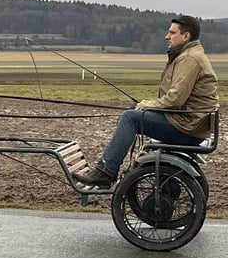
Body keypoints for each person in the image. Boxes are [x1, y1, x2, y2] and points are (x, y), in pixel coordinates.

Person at [74, 14, 219, 189]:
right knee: (133, 114)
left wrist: (145, 105)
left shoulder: (189, 59)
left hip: (187, 126)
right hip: (192, 123)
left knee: (130, 118)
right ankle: (109, 172)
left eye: (172, 33)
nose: (167, 36)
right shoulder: (190, 54)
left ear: (186, 36)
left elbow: (175, 99)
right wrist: (145, 106)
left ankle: (105, 172)